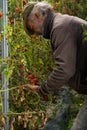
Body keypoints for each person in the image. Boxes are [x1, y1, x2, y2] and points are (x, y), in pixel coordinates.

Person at [23, 1, 87, 130]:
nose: (35, 33)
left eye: (32, 28)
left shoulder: (60, 27)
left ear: (37, 16)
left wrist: (43, 89)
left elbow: (64, 69)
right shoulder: (61, 23)